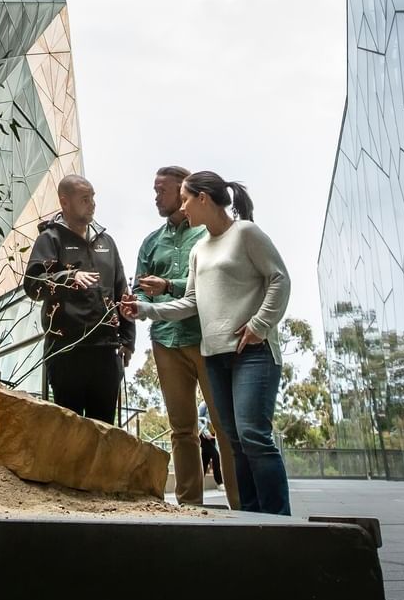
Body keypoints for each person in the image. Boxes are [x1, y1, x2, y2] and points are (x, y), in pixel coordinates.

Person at [121, 170, 292, 515]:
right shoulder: (199, 250)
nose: (183, 207)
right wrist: (144, 308)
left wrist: (260, 324)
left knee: (252, 435)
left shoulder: (246, 232)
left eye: (185, 199)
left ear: (202, 198)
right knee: (236, 439)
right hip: (214, 355)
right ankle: (250, 518)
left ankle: (279, 520)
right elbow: (191, 302)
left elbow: (279, 278)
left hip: (251, 352)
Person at [134, 165, 240, 509]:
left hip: (207, 339)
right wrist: (140, 303)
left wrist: (168, 286)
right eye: (155, 191)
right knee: (181, 429)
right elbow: (140, 290)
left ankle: (241, 506)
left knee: (223, 425)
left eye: (161, 191)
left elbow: (209, 285)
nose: (156, 197)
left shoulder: (207, 234)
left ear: (184, 192)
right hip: (165, 341)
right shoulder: (151, 242)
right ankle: (190, 507)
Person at [23, 174, 133, 422]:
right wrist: (68, 277)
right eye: (85, 199)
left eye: (93, 197)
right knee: (70, 431)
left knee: (105, 431)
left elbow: (121, 292)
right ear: (65, 202)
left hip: (106, 351)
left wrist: (128, 340)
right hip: (66, 351)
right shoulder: (50, 239)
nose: (92, 204)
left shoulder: (107, 242)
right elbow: (32, 285)